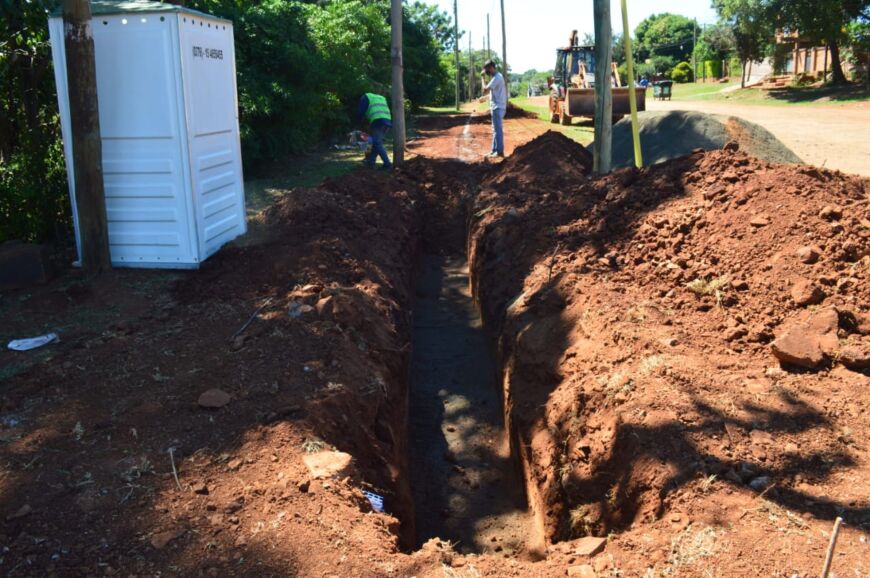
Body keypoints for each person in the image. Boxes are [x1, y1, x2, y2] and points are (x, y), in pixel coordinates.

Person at [356, 92, 392, 170]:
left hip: (377, 120)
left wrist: (358, 123)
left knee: (377, 143)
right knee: (377, 142)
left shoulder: (364, 97)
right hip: (388, 120)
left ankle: (387, 164)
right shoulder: (380, 97)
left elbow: (360, 112)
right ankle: (371, 162)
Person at [480, 60, 507, 158]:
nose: (486, 72)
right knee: (495, 129)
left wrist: (482, 78)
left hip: (497, 107)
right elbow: (493, 92)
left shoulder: (496, 77)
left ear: (491, 67)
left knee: (497, 130)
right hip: (497, 106)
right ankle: (494, 150)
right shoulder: (497, 77)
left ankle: (499, 151)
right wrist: (486, 98)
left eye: (487, 69)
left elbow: (485, 90)